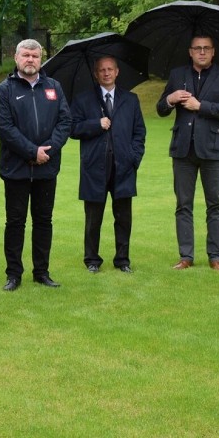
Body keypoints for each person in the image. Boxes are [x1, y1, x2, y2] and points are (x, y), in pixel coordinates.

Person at [156, 34, 219, 271]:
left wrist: (200, 106)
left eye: (206, 48)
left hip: (214, 150)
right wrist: (170, 99)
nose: (202, 52)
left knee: (215, 204)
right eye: (197, 48)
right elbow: (161, 109)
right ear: (190, 52)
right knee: (183, 204)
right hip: (183, 150)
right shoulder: (177, 75)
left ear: (213, 52)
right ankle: (186, 256)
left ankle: (215, 256)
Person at [0, 39, 71, 291]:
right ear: (16, 58)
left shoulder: (54, 87)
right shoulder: (5, 89)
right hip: (15, 168)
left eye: (35, 56)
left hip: (47, 167)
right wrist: (31, 151)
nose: (30, 60)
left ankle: (42, 272)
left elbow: (64, 122)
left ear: (41, 59)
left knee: (43, 221)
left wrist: (47, 150)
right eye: (25, 55)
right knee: (15, 222)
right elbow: (5, 128)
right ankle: (14, 274)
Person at [70, 56, 146, 274]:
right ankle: (92, 259)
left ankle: (122, 259)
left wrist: (134, 158)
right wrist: (96, 124)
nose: (106, 73)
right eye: (101, 70)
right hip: (94, 167)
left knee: (123, 218)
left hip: (123, 167)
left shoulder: (131, 99)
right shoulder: (84, 99)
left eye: (109, 69)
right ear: (96, 74)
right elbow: (72, 129)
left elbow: (139, 132)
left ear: (117, 72)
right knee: (93, 219)